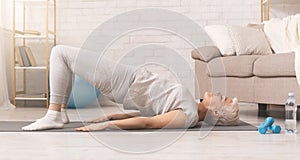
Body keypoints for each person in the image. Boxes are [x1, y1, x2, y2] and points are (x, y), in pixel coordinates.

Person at [22, 45, 240, 131]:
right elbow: (155, 110)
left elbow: (150, 123)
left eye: (226, 99)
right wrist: (115, 115)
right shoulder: (191, 106)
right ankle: (60, 114)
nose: (221, 93)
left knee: (60, 53)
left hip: (124, 82)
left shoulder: (190, 116)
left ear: (217, 112)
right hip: (128, 78)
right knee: (68, 61)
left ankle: (53, 114)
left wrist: (106, 127)